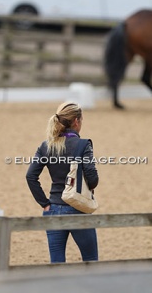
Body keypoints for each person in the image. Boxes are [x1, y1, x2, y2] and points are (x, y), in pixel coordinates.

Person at [26, 102, 99, 263]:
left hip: (52, 208)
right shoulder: (83, 145)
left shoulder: (46, 146)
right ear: (76, 122)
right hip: (77, 208)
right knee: (91, 260)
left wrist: (44, 203)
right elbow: (93, 180)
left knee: (57, 263)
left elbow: (31, 176)